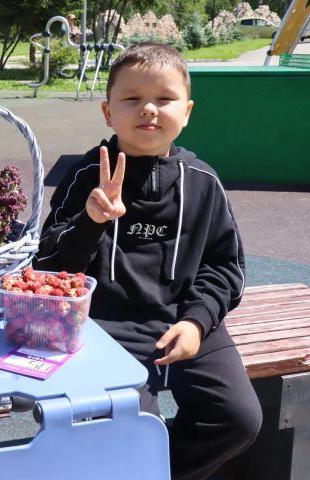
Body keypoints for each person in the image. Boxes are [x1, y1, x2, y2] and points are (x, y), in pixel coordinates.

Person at [35, 42, 262, 480]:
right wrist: (91, 219)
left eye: (164, 98)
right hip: (103, 327)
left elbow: (224, 266)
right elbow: (47, 265)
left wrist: (197, 321)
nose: (149, 110)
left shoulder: (203, 182)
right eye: (132, 99)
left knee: (237, 419)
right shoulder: (85, 178)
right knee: (134, 429)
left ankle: (161, 473)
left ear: (188, 110)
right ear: (107, 112)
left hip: (182, 319)